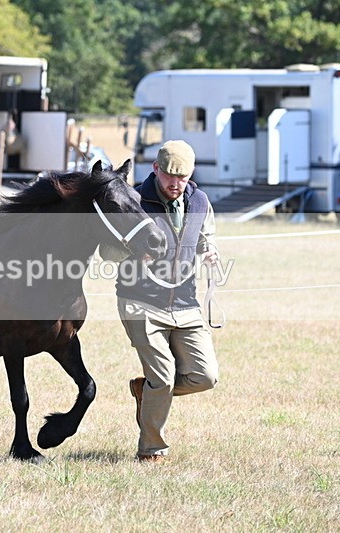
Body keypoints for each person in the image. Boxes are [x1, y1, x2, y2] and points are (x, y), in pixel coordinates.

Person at [111, 139, 220, 462]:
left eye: (182, 177)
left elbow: (206, 237)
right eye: (169, 176)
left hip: (186, 304)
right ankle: (151, 450)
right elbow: (107, 249)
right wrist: (132, 253)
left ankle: (146, 392)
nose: (175, 184)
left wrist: (210, 251)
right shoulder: (134, 201)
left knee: (206, 376)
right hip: (140, 302)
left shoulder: (199, 201)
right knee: (163, 375)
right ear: (155, 169)